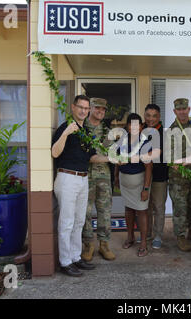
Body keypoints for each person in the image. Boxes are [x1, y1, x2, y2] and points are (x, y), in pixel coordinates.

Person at [52, 95, 110, 277]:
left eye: (86, 108)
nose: (83, 111)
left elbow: (92, 157)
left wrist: (110, 158)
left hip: (83, 179)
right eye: (81, 107)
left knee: (79, 221)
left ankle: (76, 257)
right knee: (67, 222)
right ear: (73, 107)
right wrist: (66, 133)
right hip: (67, 178)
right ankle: (65, 261)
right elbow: (55, 153)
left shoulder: (86, 132)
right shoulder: (65, 127)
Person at [167, 98, 191, 252]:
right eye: (179, 109)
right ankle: (181, 236)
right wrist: (178, 163)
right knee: (180, 207)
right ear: (175, 111)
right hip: (178, 177)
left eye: (184, 109)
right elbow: (168, 157)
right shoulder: (170, 130)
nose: (182, 112)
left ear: (189, 109)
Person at [81, 98, 115, 262]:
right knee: (85, 212)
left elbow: (114, 153)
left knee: (105, 211)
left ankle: (104, 244)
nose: (100, 112)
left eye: (103, 109)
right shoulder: (81, 128)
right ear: (90, 108)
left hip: (104, 177)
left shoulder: (109, 131)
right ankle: (88, 245)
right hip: (85, 176)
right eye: (97, 108)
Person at [115, 113, 153, 257]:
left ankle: (143, 243)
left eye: (138, 125)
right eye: (131, 124)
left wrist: (146, 188)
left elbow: (149, 167)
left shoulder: (145, 143)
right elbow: (118, 161)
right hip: (125, 181)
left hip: (139, 183)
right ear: (128, 126)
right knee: (128, 210)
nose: (134, 127)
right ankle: (130, 237)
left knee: (142, 211)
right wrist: (116, 177)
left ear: (142, 126)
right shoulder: (122, 141)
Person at [143, 104, 168, 249]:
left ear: (159, 117)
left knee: (158, 207)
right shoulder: (141, 131)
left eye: (154, 116)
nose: (151, 119)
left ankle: (158, 235)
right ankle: (147, 234)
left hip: (159, 176)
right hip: (143, 175)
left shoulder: (164, 134)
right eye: (148, 115)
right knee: (145, 207)